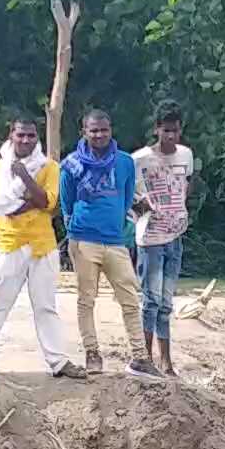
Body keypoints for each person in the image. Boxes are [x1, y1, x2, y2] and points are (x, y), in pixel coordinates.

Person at [0, 116, 87, 386]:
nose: (25, 140)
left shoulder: (49, 166)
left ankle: (57, 361)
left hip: (42, 245)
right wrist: (28, 198)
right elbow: (8, 204)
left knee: (46, 306)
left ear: (37, 138)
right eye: (20, 135)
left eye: (31, 136)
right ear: (11, 135)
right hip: (9, 243)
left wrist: (24, 178)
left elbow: (48, 203)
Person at [61, 109, 158, 377]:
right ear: (84, 132)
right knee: (86, 300)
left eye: (103, 129)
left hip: (115, 241)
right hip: (83, 240)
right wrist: (75, 230)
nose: (99, 135)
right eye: (93, 130)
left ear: (111, 130)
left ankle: (140, 357)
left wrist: (116, 225)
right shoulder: (71, 164)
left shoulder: (125, 162)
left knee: (129, 298)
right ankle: (92, 353)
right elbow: (66, 203)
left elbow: (127, 199)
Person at [132, 102, 194, 377]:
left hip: (175, 235)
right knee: (151, 300)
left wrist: (179, 210)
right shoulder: (139, 159)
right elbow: (125, 194)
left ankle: (166, 362)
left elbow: (187, 183)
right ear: (157, 129)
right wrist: (139, 208)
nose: (171, 136)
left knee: (167, 302)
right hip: (150, 238)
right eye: (166, 130)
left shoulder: (185, 155)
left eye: (175, 131)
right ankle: (145, 359)